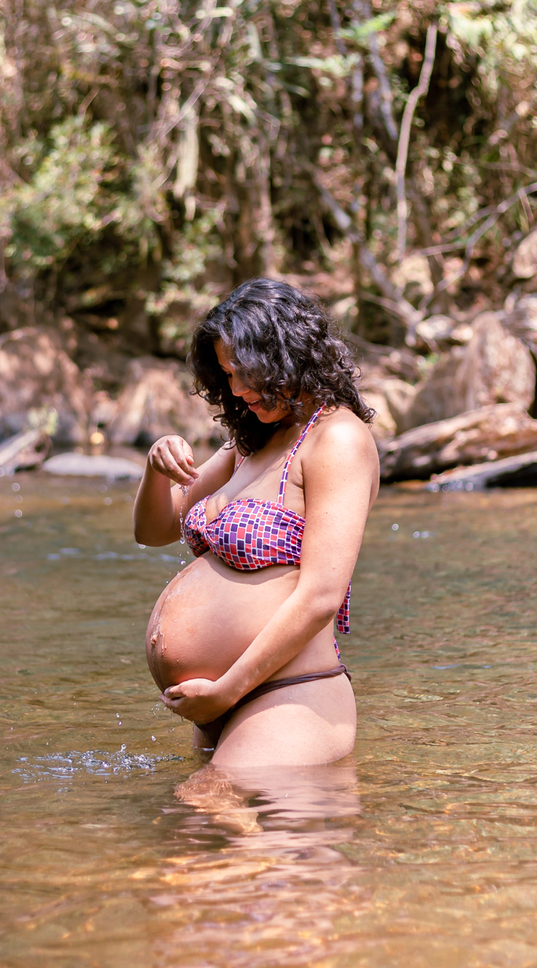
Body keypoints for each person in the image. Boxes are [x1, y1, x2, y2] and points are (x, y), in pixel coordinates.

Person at [132, 278, 380, 769]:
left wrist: (225, 692)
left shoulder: (338, 439)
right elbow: (154, 531)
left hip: (288, 698)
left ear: (289, 355)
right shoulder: (249, 443)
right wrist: (155, 470)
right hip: (227, 703)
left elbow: (320, 597)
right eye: (227, 375)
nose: (238, 390)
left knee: (204, 810)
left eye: (246, 372)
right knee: (196, 839)